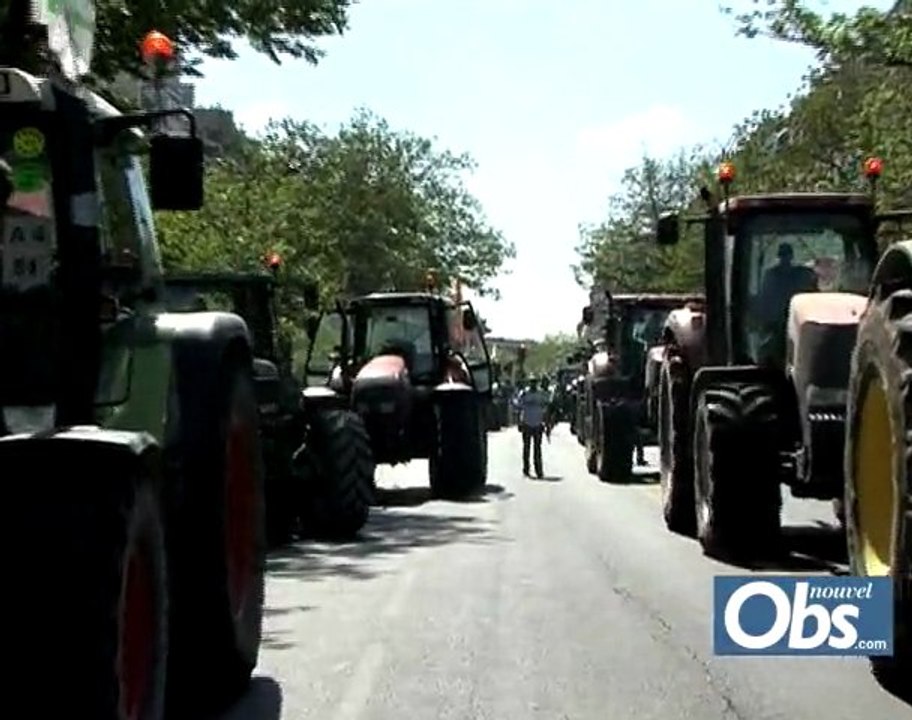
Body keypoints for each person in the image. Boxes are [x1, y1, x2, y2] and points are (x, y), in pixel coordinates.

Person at [516, 375, 550, 477]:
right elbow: (519, 408)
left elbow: (546, 409)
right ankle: (526, 469)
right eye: (531, 382)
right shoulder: (524, 394)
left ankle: (538, 470)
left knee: (537, 449)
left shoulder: (541, 394)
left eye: (535, 382)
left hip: (538, 424)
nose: (533, 384)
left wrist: (547, 423)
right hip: (527, 423)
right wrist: (519, 422)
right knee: (526, 449)